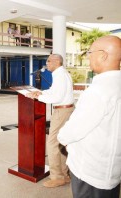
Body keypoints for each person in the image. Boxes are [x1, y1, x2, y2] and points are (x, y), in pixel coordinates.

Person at [58, 36, 121, 198]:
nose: (88, 56)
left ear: (103, 55)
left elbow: (73, 131)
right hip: (113, 169)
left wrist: (62, 139)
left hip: (90, 172)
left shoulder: (97, 92)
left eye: (90, 52)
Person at [26, 54, 74, 188]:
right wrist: (41, 93)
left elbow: (57, 97)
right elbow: (53, 91)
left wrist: (37, 98)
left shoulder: (59, 75)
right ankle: (64, 175)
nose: (46, 64)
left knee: (53, 143)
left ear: (57, 62)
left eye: (48, 61)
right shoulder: (62, 73)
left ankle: (57, 177)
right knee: (61, 143)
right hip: (67, 110)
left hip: (62, 111)